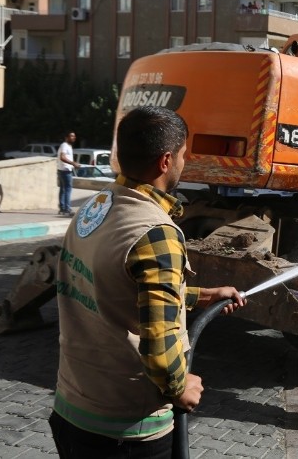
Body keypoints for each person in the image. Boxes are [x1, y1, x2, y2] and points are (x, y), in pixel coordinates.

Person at [49, 106, 246, 458]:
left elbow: (113, 286)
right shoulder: (156, 232)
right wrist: (178, 385)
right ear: (166, 161)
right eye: (184, 155)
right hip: (126, 431)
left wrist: (201, 296)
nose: (185, 163)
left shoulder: (96, 206)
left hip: (71, 409)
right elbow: (158, 344)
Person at [57, 131, 80, 216]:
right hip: (65, 170)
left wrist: (73, 163)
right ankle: (67, 209)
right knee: (67, 189)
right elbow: (62, 157)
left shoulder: (68, 146)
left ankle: (62, 208)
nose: (74, 138)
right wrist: (73, 163)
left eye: (74, 136)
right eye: (71, 136)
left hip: (62, 170)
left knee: (63, 189)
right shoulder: (64, 145)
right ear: (66, 137)